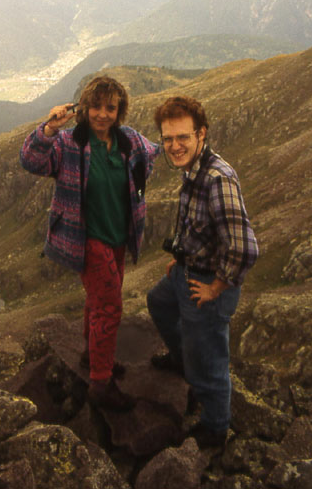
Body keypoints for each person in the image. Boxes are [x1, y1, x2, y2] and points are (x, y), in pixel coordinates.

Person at [20, 76, 160, 410]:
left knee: (97, 300)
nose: (102, 114)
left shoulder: (128, 141)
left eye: (110, 108)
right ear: (84, 107)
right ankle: (101, 382)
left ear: (119, 110)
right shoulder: (70, 144)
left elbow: (155, 153)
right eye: (96, 106)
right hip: (87, 239)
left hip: (118, 237)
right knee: (110, 305)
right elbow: (31, 160)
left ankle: (90, 354)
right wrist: (49, 129)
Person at [146, 96, 258, 447]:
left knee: (210, 359)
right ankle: (184, 360)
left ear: (201, 134)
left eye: (182, 137)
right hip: (188, 269)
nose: (174, 146)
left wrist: (217, 287)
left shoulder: (217, 179)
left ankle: (215, 428)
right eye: (167, 139)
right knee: (158, 303)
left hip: (208, 284)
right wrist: (181, 254)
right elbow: (198, 223)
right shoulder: (193, 170)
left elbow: (244, 248)